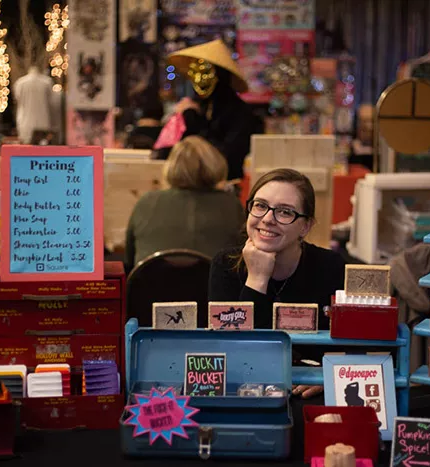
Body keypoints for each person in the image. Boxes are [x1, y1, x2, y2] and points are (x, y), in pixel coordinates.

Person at [208, 168, 346, 398]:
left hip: (307, 391)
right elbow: (231, 352)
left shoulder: (330, 266)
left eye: (284, 212)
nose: (267, 219)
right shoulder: (225, 265)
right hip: (243, 389)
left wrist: (327, 374)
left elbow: (347, 348)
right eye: (260, 205)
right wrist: (257, 279)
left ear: (305, 226)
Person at [124, 135, 246, 272]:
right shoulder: (231, 205)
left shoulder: (146, 202)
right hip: (210, 285)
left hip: (150, 285)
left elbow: (129, 259)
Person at [166, 39, 263, 181]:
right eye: (194, 72)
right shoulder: (199, 107)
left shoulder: (241, 114)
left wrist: (192, 117)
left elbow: (224, 158)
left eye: (205, 71)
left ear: (219, 75)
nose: (199, 78)